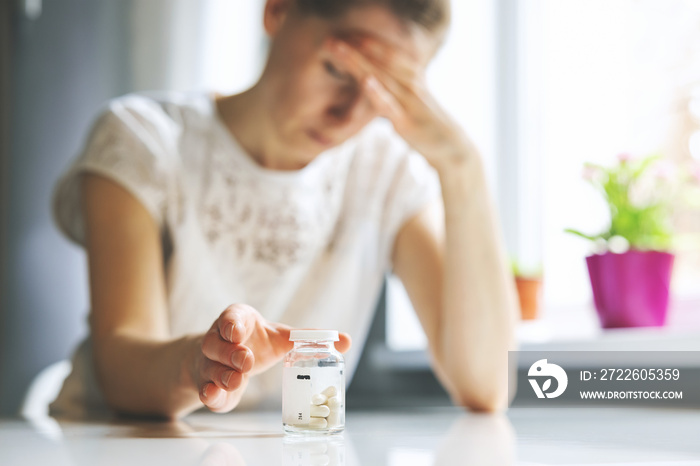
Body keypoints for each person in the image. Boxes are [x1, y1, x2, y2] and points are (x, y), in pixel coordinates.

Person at [50, 0, 518, 420]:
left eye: (385, 93)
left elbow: (484, 385)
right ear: (278, 10)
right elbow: (121, 368)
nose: (349, 114)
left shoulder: (385, 173)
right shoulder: (144, 138)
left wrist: (461, 167)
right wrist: (204, 362)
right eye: (339, 70)